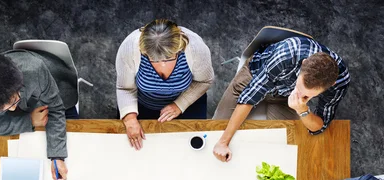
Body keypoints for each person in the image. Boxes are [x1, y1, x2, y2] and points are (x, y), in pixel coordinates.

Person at [212, 36, 350, 162]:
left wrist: (302, 109)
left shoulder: (339, 83)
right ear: (304, 63)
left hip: (284, 97)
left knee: (286, 149)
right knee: (215, 131)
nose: (300, 96)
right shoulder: (287, 53)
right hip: (254, 77)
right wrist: (223, 142)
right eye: (299, 88)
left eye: (307, 96)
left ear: (331, 85)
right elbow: (250, 96)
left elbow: (319, 126)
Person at [0, 49, 79, 180]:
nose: (11, 110)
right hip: (30, 107)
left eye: (13, 102)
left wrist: (57, 156)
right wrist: (29, 121)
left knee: (75, 137)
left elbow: (56, 108)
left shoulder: (34, 70)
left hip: (57, 87)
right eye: (2, 109)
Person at [116, 19, 214, 150]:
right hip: (142, 104)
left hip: (188, 104)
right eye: (154, 59)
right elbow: (125, 88)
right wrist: (129, 118)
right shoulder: (129, 47)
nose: (162, 64)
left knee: (189, 150)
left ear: (179, 48)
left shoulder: (196, 48)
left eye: (168, 58)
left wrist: (180, 104)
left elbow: (204, 81)